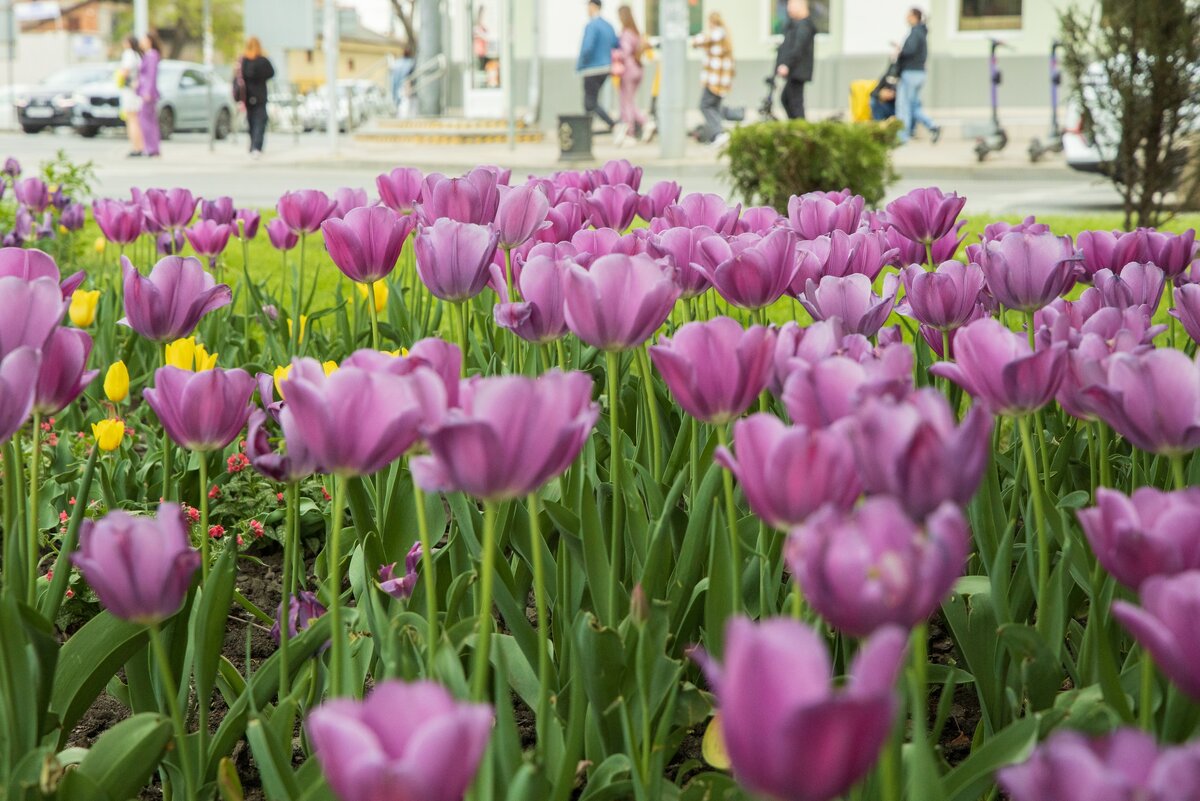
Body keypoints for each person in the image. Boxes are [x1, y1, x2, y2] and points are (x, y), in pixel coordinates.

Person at [895, 6, 941, 143]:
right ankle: (932, 125)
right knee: (914, 105)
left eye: (908, 16)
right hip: (919, 73)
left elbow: (909, 51)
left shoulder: (915, 32)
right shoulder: (922, 32)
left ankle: (902, 137)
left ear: (915, 17)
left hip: (911, 73)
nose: (906, 18)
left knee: (903, 105)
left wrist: (900, 51)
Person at [692, 12, 735, 146]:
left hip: (715, 80)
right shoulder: (724, 36)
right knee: (714, 106)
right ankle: (717, 134)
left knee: (705, 105)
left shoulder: (718, 33)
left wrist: (695, 39)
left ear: (712, 22)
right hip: (721, 81)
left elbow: (700, 40)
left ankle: (718, 133)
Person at [576, 0, 620, 132]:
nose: (587, 10)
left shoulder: (592, 26)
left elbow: (587, 48)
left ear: (594, 6)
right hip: (605, 67)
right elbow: (615, 43)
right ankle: (587, 129)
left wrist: (581, 64)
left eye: (588, 6)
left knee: (590, 102)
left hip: (592, 68)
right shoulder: (608, 25)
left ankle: (611, 124)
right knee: (590, 101)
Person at [775, 0, 816, 120]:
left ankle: (801, 130)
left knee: (795, 103)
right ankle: (796, 127)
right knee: (786, 99)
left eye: (791, 5)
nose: (788, 8)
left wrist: (786, 64)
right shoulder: (795, 25)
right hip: (795, 71)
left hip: (798, 71)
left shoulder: (804, 26)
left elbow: (798, 48)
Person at [613, 5, 648, 145]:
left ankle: (630, 132)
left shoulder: (626, 33)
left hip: (628, 70)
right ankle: (645, 123)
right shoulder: (636, 32)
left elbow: (625, 52)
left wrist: (614, 54)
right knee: (631, 101)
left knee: (626, 102)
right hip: (638, 69)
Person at [238, 36, 275, 159]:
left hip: (248, 96)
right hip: (260, 95)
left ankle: (253, 144)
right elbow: (272, 73)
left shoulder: (244, 61)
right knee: (260, 121)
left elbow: (240, 76)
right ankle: (256, 147)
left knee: (251, 121)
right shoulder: (263, 60)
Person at [137, 31, 162, 158]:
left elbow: (151, 76)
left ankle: (151, 148)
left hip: (148, 93)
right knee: (150, 120)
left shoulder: (151, 55)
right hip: (147, 92)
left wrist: (148, 91)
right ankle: (153, 147)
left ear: (149, 41)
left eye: (143, 39)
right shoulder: (149, 55)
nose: (141, 42)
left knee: (145, 120)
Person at [117, 35, 143, 157]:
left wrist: (120, 75)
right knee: (136, 119)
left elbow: (125, 71)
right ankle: (140, 146)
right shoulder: (138, 55)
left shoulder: (129, 54)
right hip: (136, 91)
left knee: (132, 119)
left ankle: (136, 147)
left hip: (129, 90)